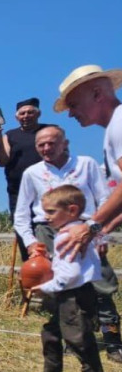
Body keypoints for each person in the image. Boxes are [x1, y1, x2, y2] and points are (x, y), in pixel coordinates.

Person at [13, 125, 122, 363]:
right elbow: (22, 214)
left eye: (51, 143)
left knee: (100, 283)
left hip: (86, 228)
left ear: (65, 143)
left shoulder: (86, 164)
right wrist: (32, 243)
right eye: (40, 145)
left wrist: (100, 234)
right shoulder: (32, 173)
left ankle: (113, 341)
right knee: (61, 287)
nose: (46, 148)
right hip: (49, 231)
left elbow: (104, 198)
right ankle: (72, 339)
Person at [23, 186, 113, 372]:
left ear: (71, 210)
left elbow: (69, 275)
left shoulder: (67, 236)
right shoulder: (79, 232)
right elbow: (69, 264)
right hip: (77, 293)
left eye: (51, 212)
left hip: (73, 296)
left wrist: (44, 287)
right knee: (52, 332)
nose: (46, 217)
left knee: (81, 343)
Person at [55, 66, 122, 257]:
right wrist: (105, 226)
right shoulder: (114, 126)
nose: (70, 114)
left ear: (97, 94)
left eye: (74, 105)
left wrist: (91, 226)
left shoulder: (119, 124)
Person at [0, 97, 50, 260]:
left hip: (48, 192)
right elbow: (2, 161)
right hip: (18, 193)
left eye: (30, 112)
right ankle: (32, 275)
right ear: (17, 117)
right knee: (25, 235)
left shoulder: (49, 130)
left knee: (50, 233)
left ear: (38, 114)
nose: (26, 116)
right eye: (22, 113)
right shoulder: (10, 135)